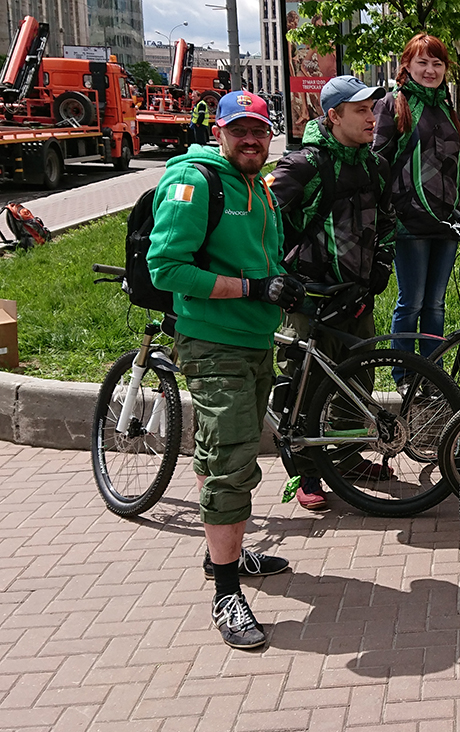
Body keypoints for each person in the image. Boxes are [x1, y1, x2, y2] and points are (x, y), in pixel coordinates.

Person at [148, 90, 305, 649]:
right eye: (239, 130)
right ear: (219, 132)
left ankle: (226, 552)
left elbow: (262, 260)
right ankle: (226, 591)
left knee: (217, 454)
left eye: (259, 130)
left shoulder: (257, 187)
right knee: (234, 462)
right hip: (214, 343)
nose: (250, 139)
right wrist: (252, 288)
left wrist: (281, 282)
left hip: (254, 340)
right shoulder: (195, 182)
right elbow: (167, 269)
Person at [268, 75, 395, 511]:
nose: (372, 118)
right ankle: (306, 473)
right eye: (361, 110)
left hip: (356, 295)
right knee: (303, 386)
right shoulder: (303, 166)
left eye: (372, 109)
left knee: (358, 381)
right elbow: (260, 219)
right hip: (310, 298)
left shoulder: (375, 165)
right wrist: (276, 275)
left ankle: (346, 459)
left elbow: (388, 221)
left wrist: (383, 263)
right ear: (334, 116)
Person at [372, 32, 460, 371]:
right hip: (408, 223)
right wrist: (387, 214)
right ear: (406, 65)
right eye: (422, 62)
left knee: (436, 304)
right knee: (410, 302)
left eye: (437, 63)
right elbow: (378, 161)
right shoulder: (393, 104)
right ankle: (403, 373)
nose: (430, 70)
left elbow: (458, 168)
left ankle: (431, 374)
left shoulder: (446, 107)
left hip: (446, 224)